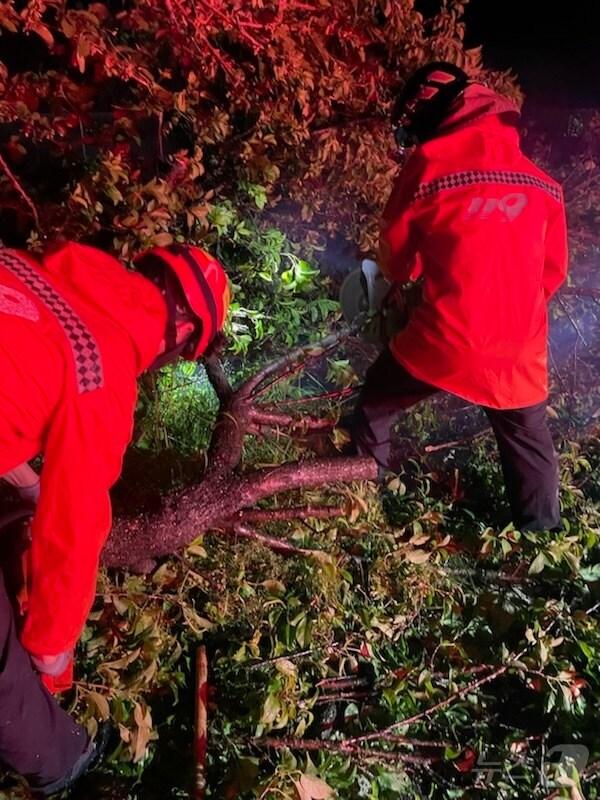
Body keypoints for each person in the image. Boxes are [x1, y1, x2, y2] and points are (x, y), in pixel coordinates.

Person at [0, 241, 229, 793]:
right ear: (182, 329)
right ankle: (59, 760)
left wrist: (30, 487)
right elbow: (75, 531)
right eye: (187, 353)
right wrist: (52, 657)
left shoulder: (29, 268)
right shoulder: (101, 366)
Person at [346, 62, 568, 532]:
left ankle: (359, 490)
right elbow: (554, 274)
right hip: (520, 352)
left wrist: (418, 281)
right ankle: (541, 537)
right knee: (530, 445)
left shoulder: (427, 165)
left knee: (377, 401)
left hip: (447, 340)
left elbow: (396, 261)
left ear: (434, 115)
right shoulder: (544, 185)